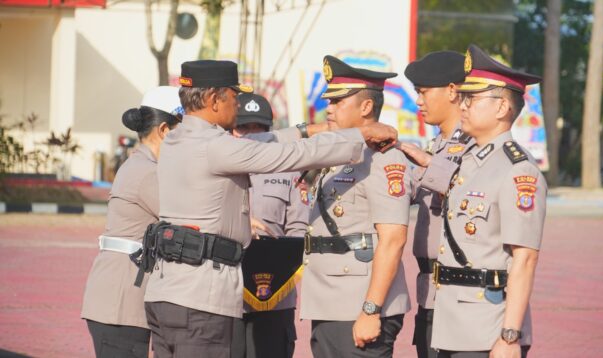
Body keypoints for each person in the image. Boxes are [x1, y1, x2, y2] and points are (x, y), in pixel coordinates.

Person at [142, 59, 398, 358]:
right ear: (213, 99)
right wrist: (359, 135)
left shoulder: (176, 139)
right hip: (200, 299)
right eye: (233, 98)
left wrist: (309, 129)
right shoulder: (217, 147)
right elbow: (284, 154)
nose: (237, 106)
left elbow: (262, 141)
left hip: (168, 291)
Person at [427, 44, 546, 358]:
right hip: (452, 323)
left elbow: (525, 258)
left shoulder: (518, 170)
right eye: (463, 98)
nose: (463, 106)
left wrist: (509, 336)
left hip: (487, 329)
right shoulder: (466, 161)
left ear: (502, 108)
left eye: (473, 98)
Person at [299, 55, 411, 358]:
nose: (329, 108)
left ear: (365, 107)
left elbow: (393, 238)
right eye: (329, 101)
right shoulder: (339, 153)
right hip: (328, 301)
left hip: (359, 305)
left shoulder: (384, 158)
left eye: (338, 101)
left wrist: (371, 310)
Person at [81, 86, 183, 358]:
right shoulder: (147, 173)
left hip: (122, 298)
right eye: (184, 130)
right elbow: (187, 215)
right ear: (164, 130)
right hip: (120, 303)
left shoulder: (143, 165)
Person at [399, 51, 474, 358]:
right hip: (429, 290)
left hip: (461, 293)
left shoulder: (473, 143)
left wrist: (426, 162)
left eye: (424, 92)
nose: (418, 101)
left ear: (453, 91)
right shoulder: (437, 144)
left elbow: (471, 190)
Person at [230, 93, 309, 358]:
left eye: (259, 128)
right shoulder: (219, 170)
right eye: (244, 128)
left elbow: (299, 232)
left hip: (274, 294)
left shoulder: (290, 173)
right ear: (231, 129)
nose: (252, 135)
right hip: (225, 295)